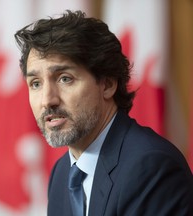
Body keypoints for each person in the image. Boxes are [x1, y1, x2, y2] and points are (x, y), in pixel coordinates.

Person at [14, 10, 193, 216]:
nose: (47, 100)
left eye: (65, 78)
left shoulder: (151, 167)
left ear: (107, 84)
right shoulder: (62, 173)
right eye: (35, 84)